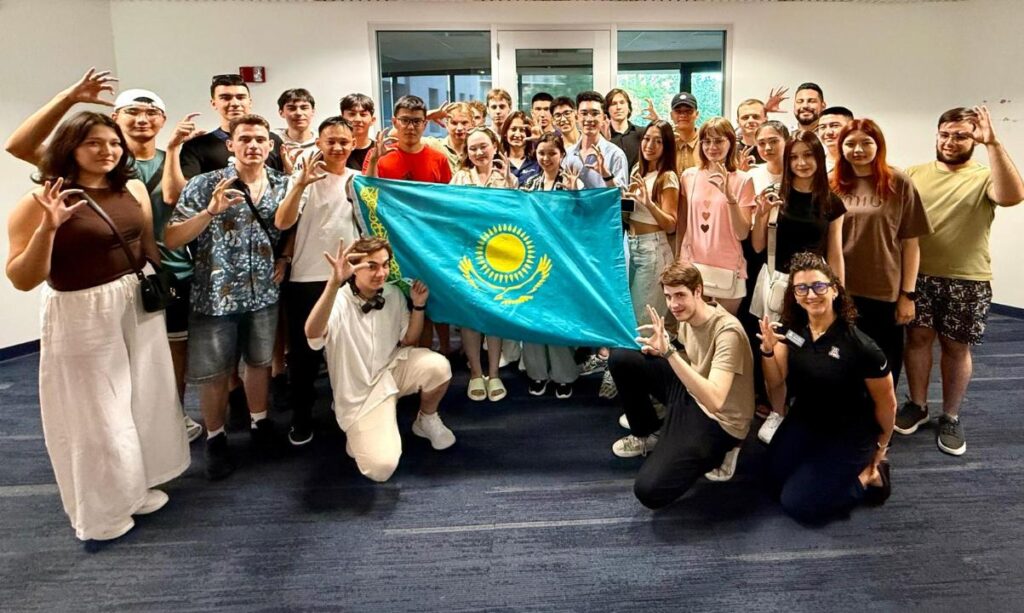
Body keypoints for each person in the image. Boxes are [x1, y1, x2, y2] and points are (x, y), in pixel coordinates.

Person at [5, 111, 189, 541]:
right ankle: (102, 513)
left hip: (134, 299)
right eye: (93, 143)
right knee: (97, 412)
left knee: (143, 398)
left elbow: (146, 244)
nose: (107, 151)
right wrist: (48, 229)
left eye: (113, 143)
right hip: (81, 310)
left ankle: (136, 486)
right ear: (70, 148)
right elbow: (22, 277)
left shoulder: (131, 187)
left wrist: (165, 290)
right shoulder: (42, 200)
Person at [3, 68, 204, 442]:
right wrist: (68, 98)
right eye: (132, 112)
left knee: (160, 364)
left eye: (151, 112)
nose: (142, 119)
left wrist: (161, 276)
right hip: (91, 294)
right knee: (105, 384)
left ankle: (172, 420)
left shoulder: (162, 162)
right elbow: (19, 146)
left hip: (154, 278)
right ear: (116, 116)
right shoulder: (83, 170)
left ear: (162, 119)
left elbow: (159, 219)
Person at [165, 114, 288, 480]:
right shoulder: (205, 185)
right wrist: (209, 212)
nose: (253, 145)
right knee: (214, 372)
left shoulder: (282, 184)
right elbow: (172, 238)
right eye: (245, 139)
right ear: (230, 145)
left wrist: (284, 257)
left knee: (259, 362)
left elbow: (291, 227)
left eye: (260, 139)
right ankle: (215, 437)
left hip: (263, 292)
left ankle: (259, 422)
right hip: (214, 295)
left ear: (270, 146)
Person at [902, 106, 1024, 455]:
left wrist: (994, 144)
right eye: (945, 134)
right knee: (917, 340)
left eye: (960, 136)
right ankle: (918, 405)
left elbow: (1012, 196)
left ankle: (951, 416)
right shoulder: (913, 174)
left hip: (967, 279)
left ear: (974, 140)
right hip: (918, 276)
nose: (950, 142)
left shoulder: (985, 176)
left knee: (956, 347)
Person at [305, 237, 455, 482]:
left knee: (438, 367)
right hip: (359, 394)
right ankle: (362, 429)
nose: (381, 273)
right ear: (355, 268)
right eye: (372, 266)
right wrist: (333, 284)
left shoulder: (392, 293)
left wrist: (418, 306)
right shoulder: (339, 300)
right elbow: (312, 334)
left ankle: (426, 418)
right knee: (381, 469)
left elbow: (409, 339)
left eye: (385, 265)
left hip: (391, 371)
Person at [760, 253, 894, 524]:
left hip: (848, 432)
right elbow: (775, 381)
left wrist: (881, 446)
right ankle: (817, 466)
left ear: (834, 290)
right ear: (794, 295)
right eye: (802, 288)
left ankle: (868, 478)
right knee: (770, 482)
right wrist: (767, 350)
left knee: (797, 503)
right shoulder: (792, 331)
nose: (811, 295)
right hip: (806, 419)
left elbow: (888, 403)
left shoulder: (862, 347)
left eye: (819, 286)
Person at [608, 263, 754, 505]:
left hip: (720, 419)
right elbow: (690, 357)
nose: (673, 304)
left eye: (680, 295)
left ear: (698, 291)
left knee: (648, 491)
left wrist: (669, 353)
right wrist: (661, 351)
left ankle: (726, 450)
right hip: (692, 391)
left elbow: (715, 400)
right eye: (668, 296)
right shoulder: (686, 317)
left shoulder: (728, 333)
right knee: (621, 357)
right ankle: (647, 432)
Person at [750, 130, 846, 444]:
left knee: (812, 352)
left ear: (819, 158)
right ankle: (777, 411)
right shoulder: (776, 195)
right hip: (779, 287)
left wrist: (839, 295)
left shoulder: (831, 202)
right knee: (774, 351)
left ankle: (808, 410)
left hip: (815, 292)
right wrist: (761, 215)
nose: (801, 163)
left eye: (808, 156)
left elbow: (835, 252)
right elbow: (758, 245)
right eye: (794, 157)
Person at [273, 116, 363, 446]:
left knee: (349, 349)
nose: (337, 147)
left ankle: (350, 410)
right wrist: (299, 184)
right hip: (307, 277)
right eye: (330, 141)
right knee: (303, 354)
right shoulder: (304, 177)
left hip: (349, 278)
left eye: (344, 142)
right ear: (319, 143)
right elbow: (282, 222)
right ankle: (301, 416)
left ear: (353, 144)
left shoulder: (358, 180)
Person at [832, 118, 931, 390]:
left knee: (883, 362)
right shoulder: (832, 183)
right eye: (850, 144)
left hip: (884, 291)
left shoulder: (898, 182)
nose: (858, 150)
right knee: (844, 360)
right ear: (841, 148)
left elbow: (911, 244)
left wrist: (908, 295)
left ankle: (884, 414)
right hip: (841, 290)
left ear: (879, 145)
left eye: (866, 143)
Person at [451, 127, 516, 401]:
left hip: (499, 256)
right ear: (466, 152)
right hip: (467, 255)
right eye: (473, 148)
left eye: (483, 146)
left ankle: (494, 373)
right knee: (470, 317)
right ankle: (476, 373)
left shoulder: (506, 177)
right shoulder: (459, 177)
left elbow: (518, 214)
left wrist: (511, 183)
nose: (479, 152)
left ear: (495, 146)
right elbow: (449, 214)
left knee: (493, 313)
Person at [520, 133, 582, 398]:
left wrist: (575, 195)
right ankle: (537, 373)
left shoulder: (571, 183)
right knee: (532, 317)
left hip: (560, 262)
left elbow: (581, 221)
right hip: (531, 259)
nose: (546, 158)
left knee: (558, 318)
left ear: (562, 155)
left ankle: (564, 375)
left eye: (552, 153)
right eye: (541, 153)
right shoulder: (529, 184)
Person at [678, 117, 756, 315]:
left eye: (719, 141)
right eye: (707, 141)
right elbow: (683, 223)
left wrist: (730, 198)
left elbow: (742, 233)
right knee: (693, 326)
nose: (712, 147)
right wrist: (679, 258)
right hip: (692, 262)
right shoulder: (689, 176)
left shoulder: (743, 180)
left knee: (724, 328)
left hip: (728, 266)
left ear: (731, 142)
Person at [624, 120, 679, 326]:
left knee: (643, 319)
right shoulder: (638, 170)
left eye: (658, 141)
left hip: (653, 248)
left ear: (667, 146)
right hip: (631, 245)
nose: (650, 145)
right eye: (647, 139)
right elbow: (630, 211)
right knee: (630, 312)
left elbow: (671, 224)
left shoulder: (667, 177)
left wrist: (649, 204)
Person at [364, 95, 452, 184]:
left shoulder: (440, 160)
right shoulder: (376, 156)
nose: (410, 127)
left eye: (417, 121)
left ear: (424, 124)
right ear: (394, 122)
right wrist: (373, 161)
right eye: (405, 120)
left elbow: (446, 192)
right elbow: (366, 189)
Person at [565, 91, 629, 189]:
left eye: (595, 113)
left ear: (604, 118)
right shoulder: (568, 154)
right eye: (584, 113)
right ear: (577, 117)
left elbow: (622, 195)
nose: (589, 119)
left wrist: (607, 176)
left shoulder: (615, 155)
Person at [423, 101, 471, 175]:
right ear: (446, 124)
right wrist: (427, 116)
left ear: (472, 124)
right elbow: (403, 138)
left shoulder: (478, 149)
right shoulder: (434, 145)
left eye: (464, 123)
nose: (459, 128)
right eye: (454, 123)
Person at [276, 88, 317, 168]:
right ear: (281, 112)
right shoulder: (273, 142)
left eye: (304, 108)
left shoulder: (324, 141)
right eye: (292, 108)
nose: (298, 113)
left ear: (313, 111)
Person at [605, 88, 642, 172]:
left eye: (622, 102)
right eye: (613, 104)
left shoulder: (642, 133)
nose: (618, 107)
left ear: (629, 107)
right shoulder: (602, 136)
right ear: (607, 109)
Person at [500, 110, 541, 185]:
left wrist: (540, 141)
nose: (517, 134)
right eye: (513, 129)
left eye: (522, 130)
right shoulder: (499, 162)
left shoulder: (538, 161)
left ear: (528, 134)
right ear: (505, 133)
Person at [340, 93, 377, 171]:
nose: (357, 119)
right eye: (352, 114)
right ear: (341, 119)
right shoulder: (335, 150)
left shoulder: (380, 150)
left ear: (372, 120)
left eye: (363, 114)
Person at [669, 92, 700, 176]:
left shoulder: (706, 142)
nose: (683, 115)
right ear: (671, 115)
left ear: (697, 114)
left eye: (688, 111)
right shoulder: (666, 144)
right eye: (678, 111)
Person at [816, 106, 853, 171]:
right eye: (822, 127)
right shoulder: (814, 163)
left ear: (851, 128)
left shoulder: (860, 162)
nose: (828, 132)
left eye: (835, 125)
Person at [735, 98, 768, 167]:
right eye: (745, 117)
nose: (750, 120)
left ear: (765, 119)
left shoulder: (776, 150)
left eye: (756, 117)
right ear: (738, 121)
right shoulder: (730, 152)